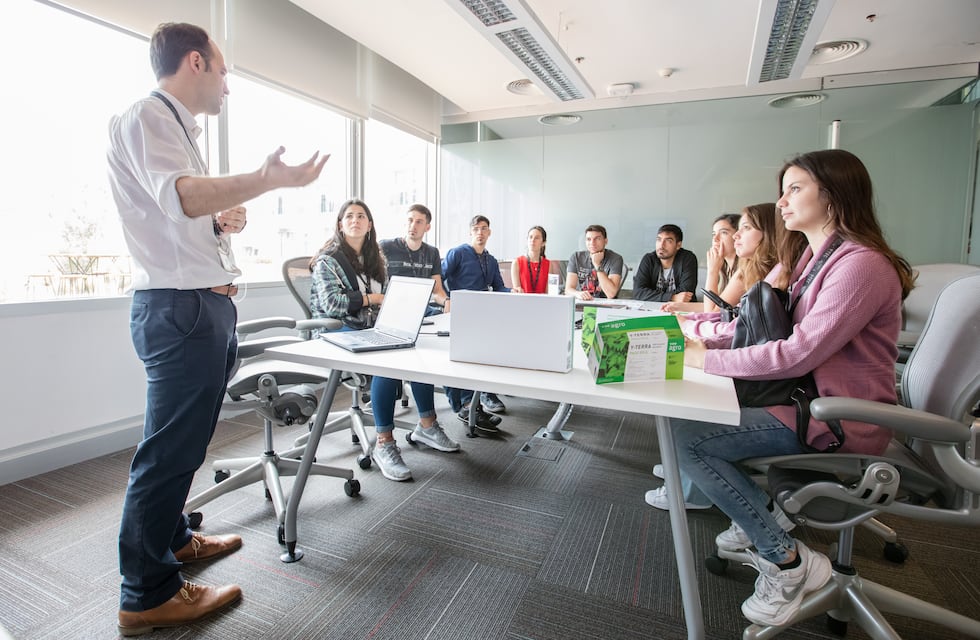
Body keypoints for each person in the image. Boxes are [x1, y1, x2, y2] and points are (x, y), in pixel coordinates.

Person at [107, 22, 328, 636]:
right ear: (197, 62)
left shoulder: (178, 131)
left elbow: (179, 211)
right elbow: (180, 197)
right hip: (181, 311)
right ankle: (146, 594)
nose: (228, 83)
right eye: (224, 70)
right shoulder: (148, 116)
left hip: (201, 307)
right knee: (167, 452)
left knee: (184, 446)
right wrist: (267, 179)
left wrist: (217, 222)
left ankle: (173, 541)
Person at [675, 149, 915, 627]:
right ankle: (763, 522)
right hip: (810, 402)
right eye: (782, 191)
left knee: (690, 440)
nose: (781, 202)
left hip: (842, 417)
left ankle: (786, 559)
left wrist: (710, 359)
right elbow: (767, 332)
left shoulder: (858, 266)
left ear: (833, 195)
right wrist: (709, 349)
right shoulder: (815, 259)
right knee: (692, 419)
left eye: (795, 189)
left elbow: (797, 352)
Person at [652, 203, 802, 508]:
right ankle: (681, 471)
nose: (728, 240)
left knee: (686, 399)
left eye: (736, 231)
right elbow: (725, 318)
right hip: (762, 375)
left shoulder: (766, 275)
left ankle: (692, 487)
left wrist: (713, 273)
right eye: (717, 234)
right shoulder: (759, 270)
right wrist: (688, 321)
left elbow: (728, 324)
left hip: (776, 390)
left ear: (767, 235)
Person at [309, 199, 460, 481]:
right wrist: (374, 299)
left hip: (371, 327)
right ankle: (384, 443)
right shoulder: (328, 260)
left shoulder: (376, 258)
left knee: (416, 351)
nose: (355, 220)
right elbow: (332, 304)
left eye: (361, 216)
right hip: (337, 330)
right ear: (341, 225)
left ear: (369, 225)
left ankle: (427, 425)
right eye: (349, 216)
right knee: (387, 363)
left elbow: (389, 295)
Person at [442, 215, 510, 429]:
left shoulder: (490, 260)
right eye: (476, 228)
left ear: (489, 232)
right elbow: (438, 279)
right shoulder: (458, 253)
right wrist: (447, 300)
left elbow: (499, 287)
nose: (480, 232)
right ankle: (465, 405)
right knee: (461, 361)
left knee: (485, 357)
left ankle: (478, 400)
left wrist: (514, 291)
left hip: (482, 317)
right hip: (459, 315)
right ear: (470, 232)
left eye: (484, 228)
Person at [380, 204, 451, 315]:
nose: (413, 225)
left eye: (419, 222)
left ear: (427, 227)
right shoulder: (386, 246)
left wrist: (447, 301)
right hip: (393, 307)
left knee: (440, 319)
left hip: (421, 308)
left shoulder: (432, 253)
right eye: (410, 220)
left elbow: (437, 291)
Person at [662, 214, 740, 313]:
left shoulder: (743, 272)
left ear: (738, 236)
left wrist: (712, 271)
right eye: (713, 234)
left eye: (724, 233)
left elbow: (712, 312)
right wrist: (678, 306)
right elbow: (713, 306)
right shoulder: (725, 268)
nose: (715, 239)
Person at [632, 224, 699, 302]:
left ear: (678, 245)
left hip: (681, 309)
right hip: (652, 308)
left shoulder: (688, 259)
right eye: (659, 239)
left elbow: (685, 295)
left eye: (668, 241)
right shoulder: (649, 259)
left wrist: (653, 296)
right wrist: (672, 297)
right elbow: (638, 292)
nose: (661, 245)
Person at [565, 224, 624, 299]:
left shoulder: (615, 259)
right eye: (589, 239)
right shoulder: (576, 257)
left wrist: (597, 264)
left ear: (605, 241)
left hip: (605, 306)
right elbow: (568, 290)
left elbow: (611, 294)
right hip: (582, 302)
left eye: (597, 239)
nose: (592, 243)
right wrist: (578, 294)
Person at [510, 225, 551, 294]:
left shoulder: (548, 264)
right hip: (522, 302)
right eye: (530, 237)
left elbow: (549, 292)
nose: (533, 240)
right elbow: (517, 289)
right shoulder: (517, 262)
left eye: (537, 238)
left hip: (543, 302)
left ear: (543, 243)